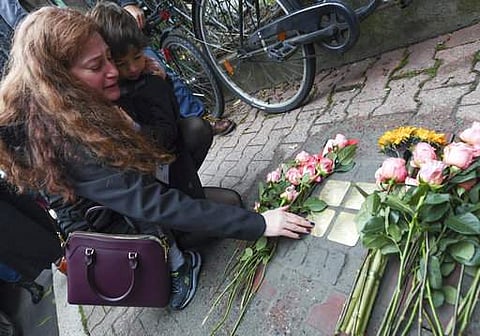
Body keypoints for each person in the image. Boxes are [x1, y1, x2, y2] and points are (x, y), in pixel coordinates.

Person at [0, 6, 313, 310]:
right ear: (58, 78)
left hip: (133, 195)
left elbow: (168, 132)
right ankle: (176, 265)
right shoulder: (65, 142)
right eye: (97, 66)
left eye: (111, 58)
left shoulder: (73, 95)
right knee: (218, 211)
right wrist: (259, 225)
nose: (113, 71)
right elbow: (149, 202)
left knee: (195, 142)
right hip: (115, 227)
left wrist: (153, 82)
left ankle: (185, 224)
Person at [117, 0, 236, 136]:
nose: (132, 68)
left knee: (160, 72)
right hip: (118, 35)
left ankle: (200, 118)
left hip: (133, 28)